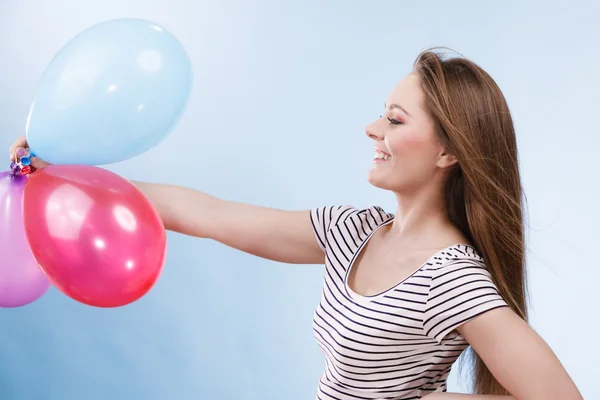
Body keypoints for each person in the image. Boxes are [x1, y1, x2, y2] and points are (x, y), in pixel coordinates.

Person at [10, 48, 582, 400]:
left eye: (394, 118)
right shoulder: (351, 232)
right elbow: (206, 214)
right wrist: (64, 177)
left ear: (447, 153)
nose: (371, 128)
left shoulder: (452, 281)